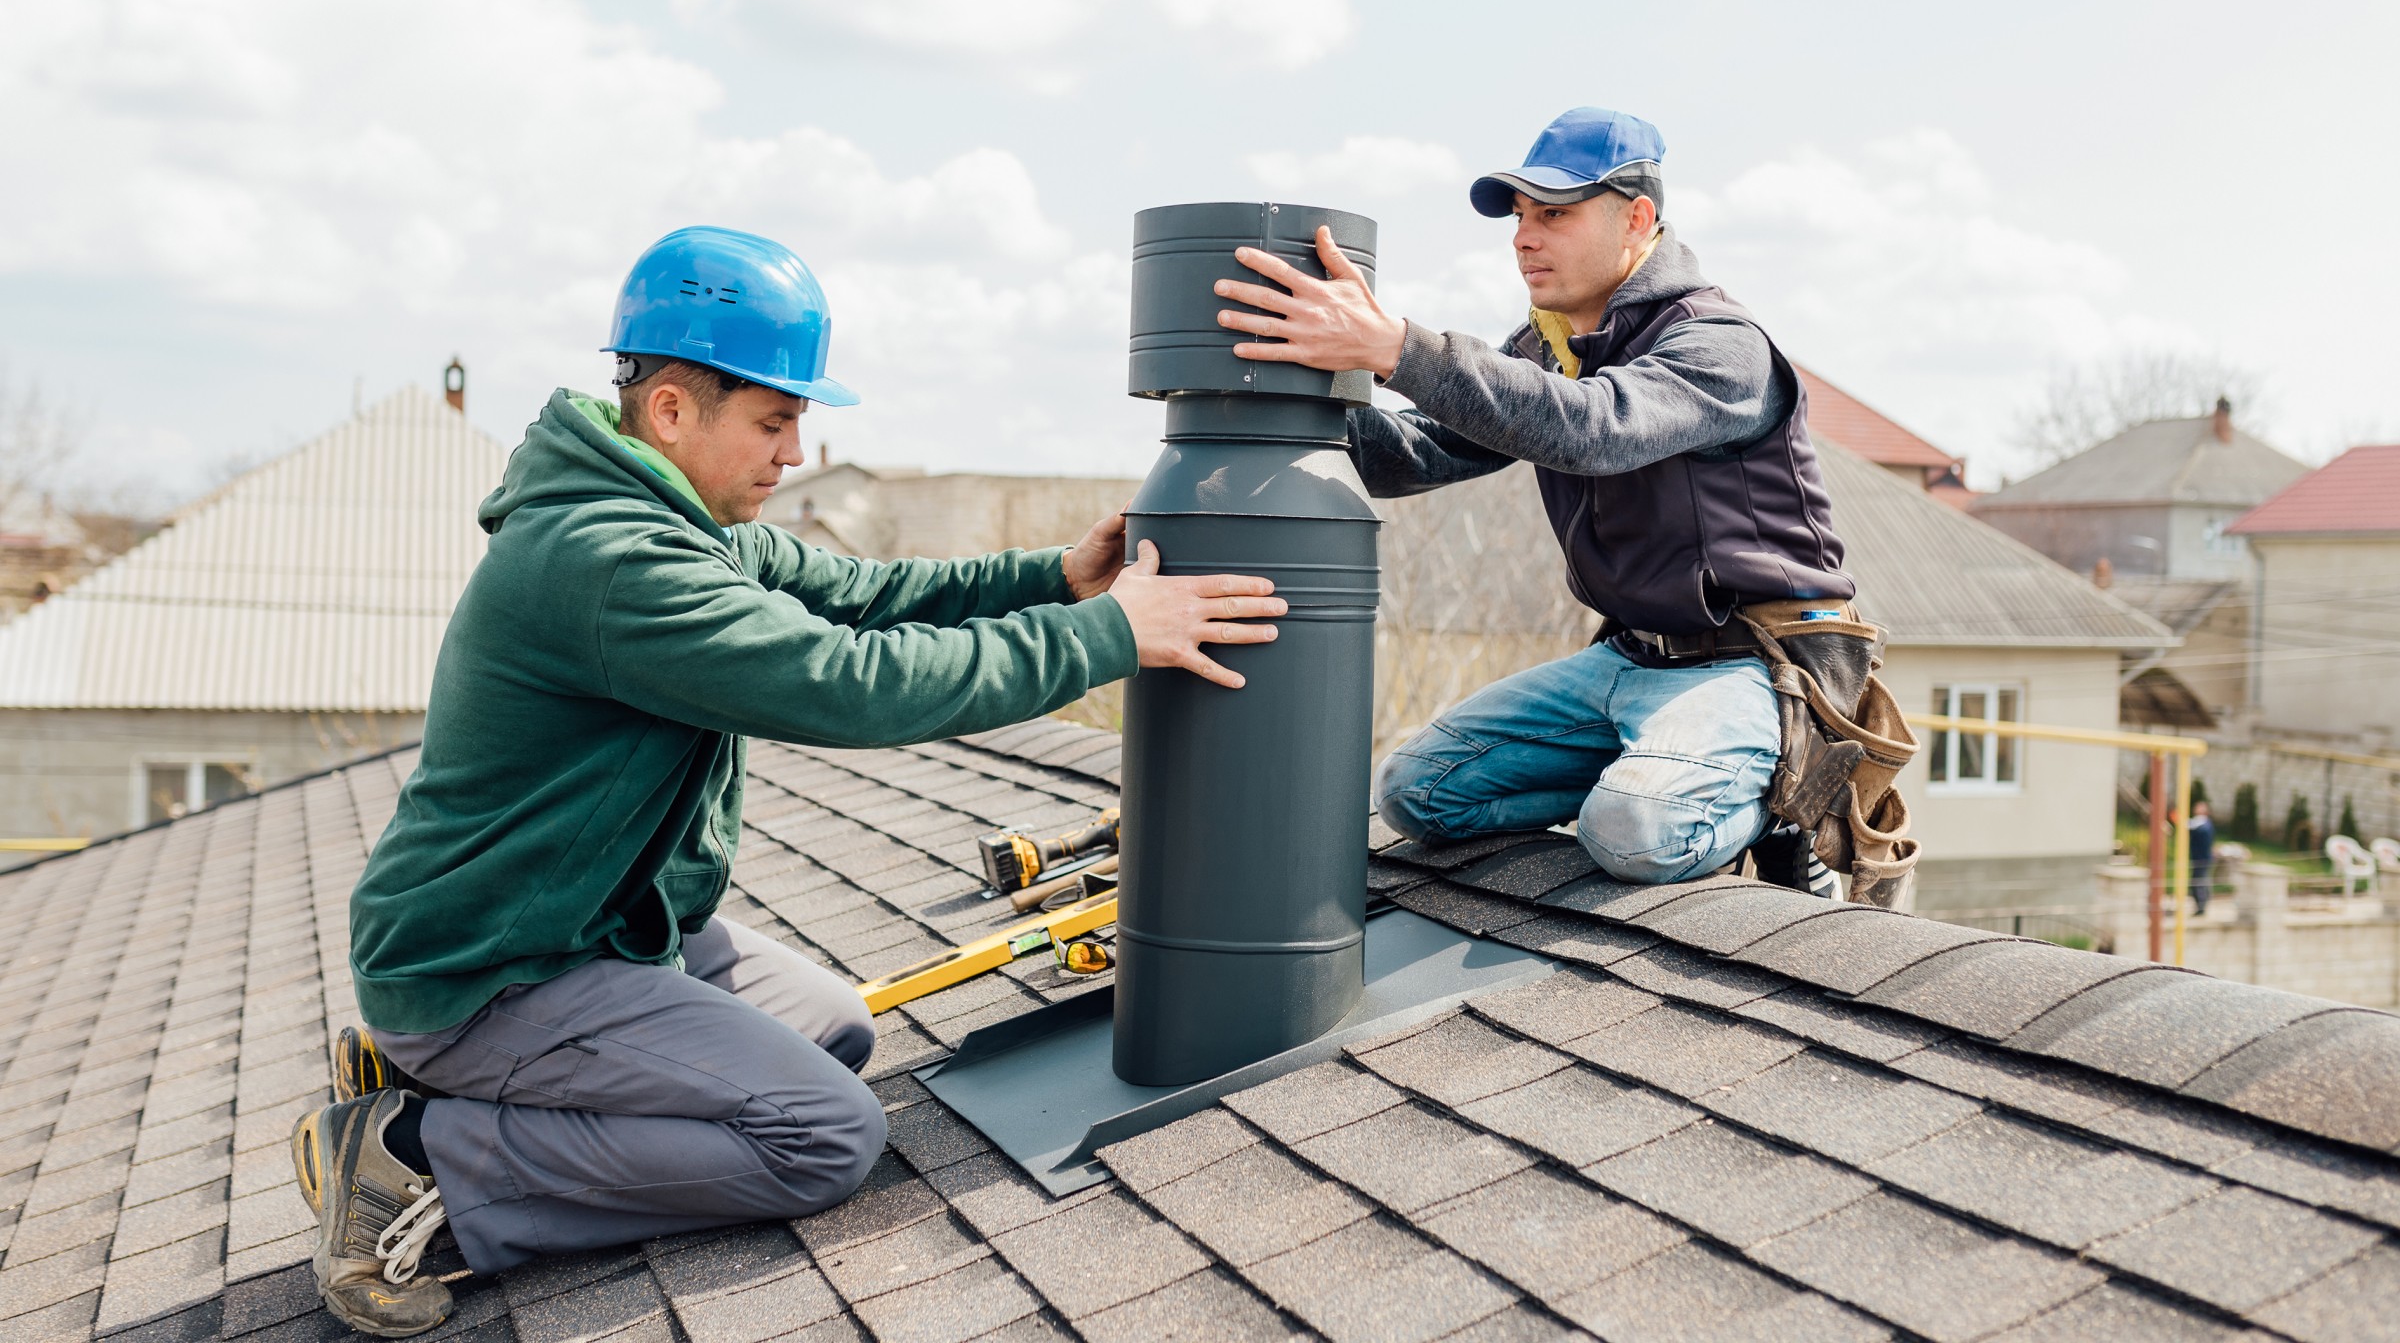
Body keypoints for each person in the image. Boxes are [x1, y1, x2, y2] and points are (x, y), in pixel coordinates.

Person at [289, 226, 1287, 1336]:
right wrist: (1109, 637)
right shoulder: (617, 562)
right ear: (674, 410)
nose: (796, 452)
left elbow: (861, 597)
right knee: (823, 1137)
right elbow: (848, 683)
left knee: (837, 1031)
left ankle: (452, 1083)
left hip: (593, 933)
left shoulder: (679, 519)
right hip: (495, 968)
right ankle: (423, 1159)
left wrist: (1055, 578)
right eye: (773, 422)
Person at [1213, 107, 1853, 894]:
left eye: (1554, 214)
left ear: (1636, 219)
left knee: (1637, 833)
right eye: (1519, 216)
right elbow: (1424, 448)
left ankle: (1785, 810)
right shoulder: (1550, 345)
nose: (1524, 238)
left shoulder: (1719, 343)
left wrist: (1397, 347)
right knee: (1417, 794)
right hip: (1629, 657)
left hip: (1757, 665)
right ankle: (1661, 776)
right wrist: (1268, 405)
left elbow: (1596, 428)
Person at [2188, 799, 2218, 913]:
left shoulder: (2201, 823)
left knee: (2199, 882)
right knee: (2201, 881)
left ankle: (2201, 906)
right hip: (2202, 857)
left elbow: (2188, 825)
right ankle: (2202, 904)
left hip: (2201, 858)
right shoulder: (2204, 823)